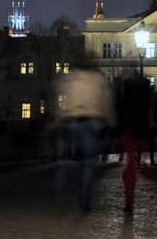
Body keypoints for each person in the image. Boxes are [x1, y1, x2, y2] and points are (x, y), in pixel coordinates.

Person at [58, 68, 113, 212]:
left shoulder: (71, 78)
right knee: (89, 163)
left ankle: (65, 190)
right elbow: (105, 102)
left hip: (72, 121)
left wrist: (60, 118)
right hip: (91, 122)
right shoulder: (97, 78)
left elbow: (62, 98)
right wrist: (108, 121)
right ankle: (85, 195)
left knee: (70, 160)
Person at [116, 74, 150, 213]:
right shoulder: (144, 101)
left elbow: (120, 117)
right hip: (140, 134)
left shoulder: (124, 101)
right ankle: (129, 199)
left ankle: (129, 200)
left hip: (129, 133)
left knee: (130, 167)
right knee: (133, 165)